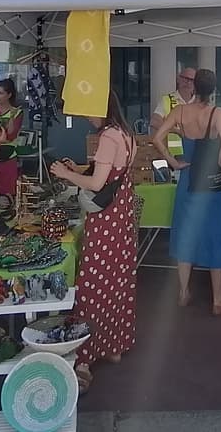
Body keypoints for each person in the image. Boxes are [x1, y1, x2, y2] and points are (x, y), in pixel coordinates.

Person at [48, 91, 137, 395]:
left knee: (92, 284)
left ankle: (84, 359)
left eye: (88, 112)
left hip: (106, 221)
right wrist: (79, 169)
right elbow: (110, 174)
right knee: (117, 281)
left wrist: (65, 174)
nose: (86, 118)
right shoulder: (126, 133)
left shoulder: (108, 137)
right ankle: (114, 345)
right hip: (122, 218)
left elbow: (97, 184)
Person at [151, 68, 221, 315]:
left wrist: (173, 162)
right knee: (216, 234)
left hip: (187, 179)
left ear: (194, 87)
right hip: (212, 183)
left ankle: (183, 292)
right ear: (214, 90)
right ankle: (217, 299)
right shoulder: (218, 113)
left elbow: (157, 138)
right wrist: (219, 163)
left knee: (185, 234)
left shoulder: (179, 111)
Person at [151, 67, 198, 164]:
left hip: (195, 156)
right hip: (171, 157)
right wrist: (176, 130)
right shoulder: (167, 100)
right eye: (185, 78)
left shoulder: (199, 102)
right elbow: (154, 121)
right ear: (178, 79)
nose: (188, 82)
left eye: (191, 80)